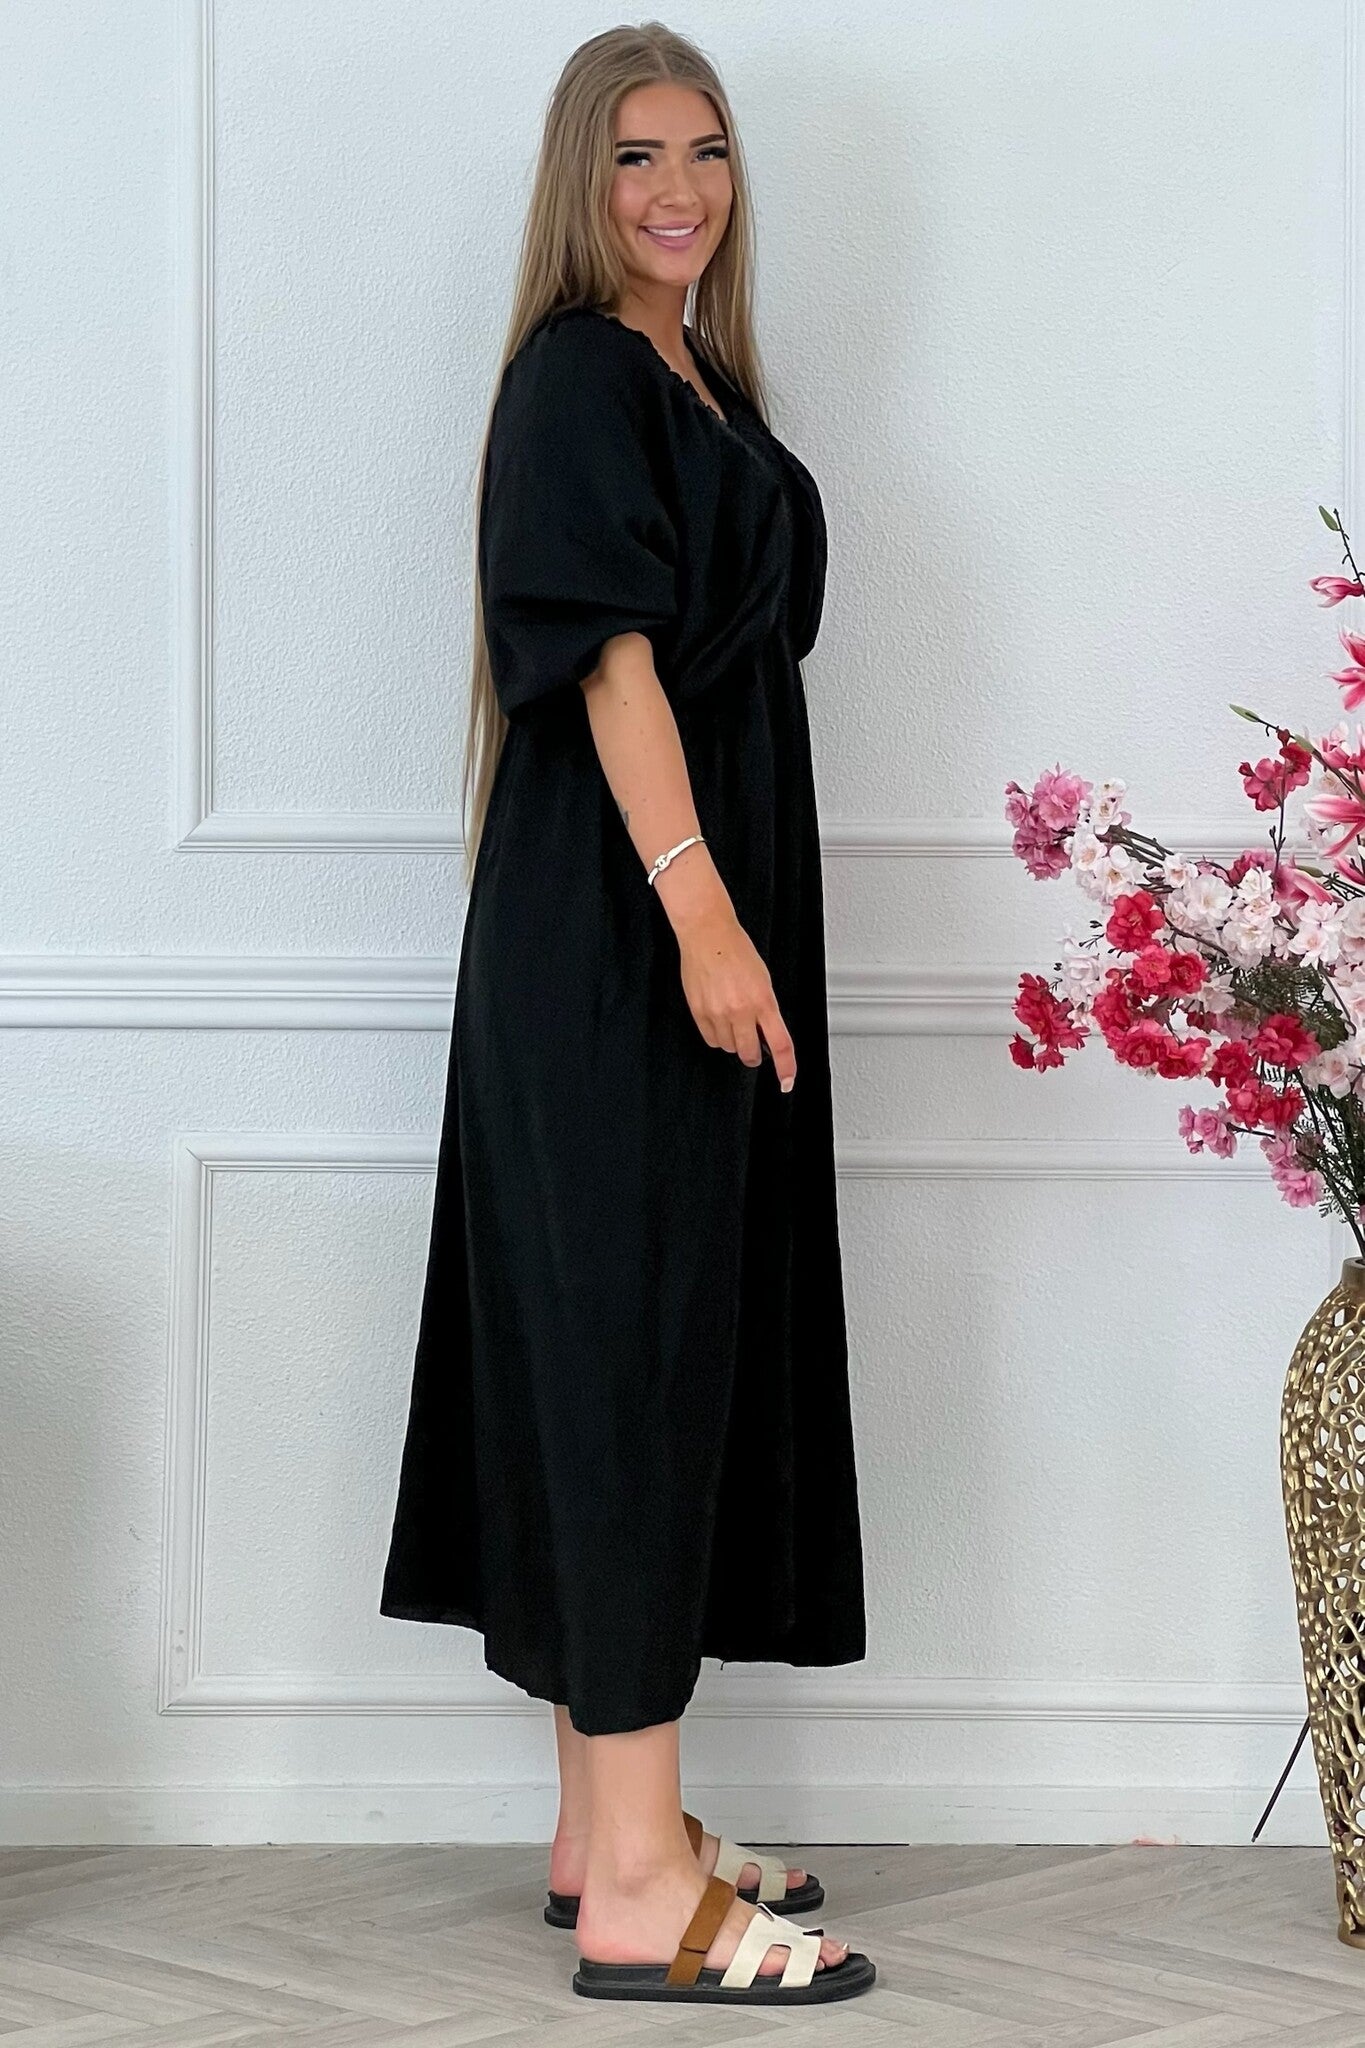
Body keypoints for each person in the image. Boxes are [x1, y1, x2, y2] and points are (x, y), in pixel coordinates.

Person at [379, 21, 876, 2007]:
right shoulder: (581, 371)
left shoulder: (695, 377)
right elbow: (606, 664)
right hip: (618, 931)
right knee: (624, 1362)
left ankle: (612, 1831)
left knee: (646, 1351)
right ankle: (639, 1898)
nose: (678, 190)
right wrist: (700, 913)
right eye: (636, 156)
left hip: (662, 921)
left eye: (707, 150)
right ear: (580, 185)